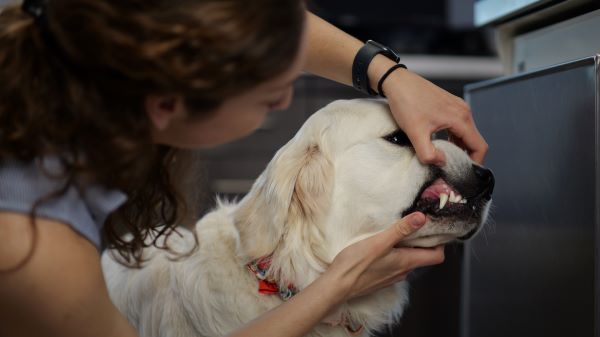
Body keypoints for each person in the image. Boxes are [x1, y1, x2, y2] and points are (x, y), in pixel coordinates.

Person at [0, 1, 487, 336]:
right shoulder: (33, 248)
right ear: (168, 105)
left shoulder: (79, 77)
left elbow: (272, 22)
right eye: (268, 97)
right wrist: (338, 286)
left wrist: (388, 74)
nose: (286, 96)